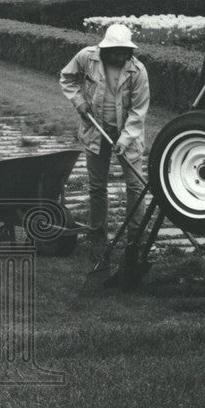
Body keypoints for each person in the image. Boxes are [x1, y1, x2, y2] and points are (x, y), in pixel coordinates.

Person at [60, 24, 149, 254]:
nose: (120, 55)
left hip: (128, 135)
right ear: (106, 49)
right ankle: (97, 233)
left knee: (136, 186)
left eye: (124, 51)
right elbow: (67, 78)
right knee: (97, 186)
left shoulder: (138, 71)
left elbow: (138, 111)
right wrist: (79, 102)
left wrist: (125, 139)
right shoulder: (87, 58)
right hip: (96, 130)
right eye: (116, 50)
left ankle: (135, 236)